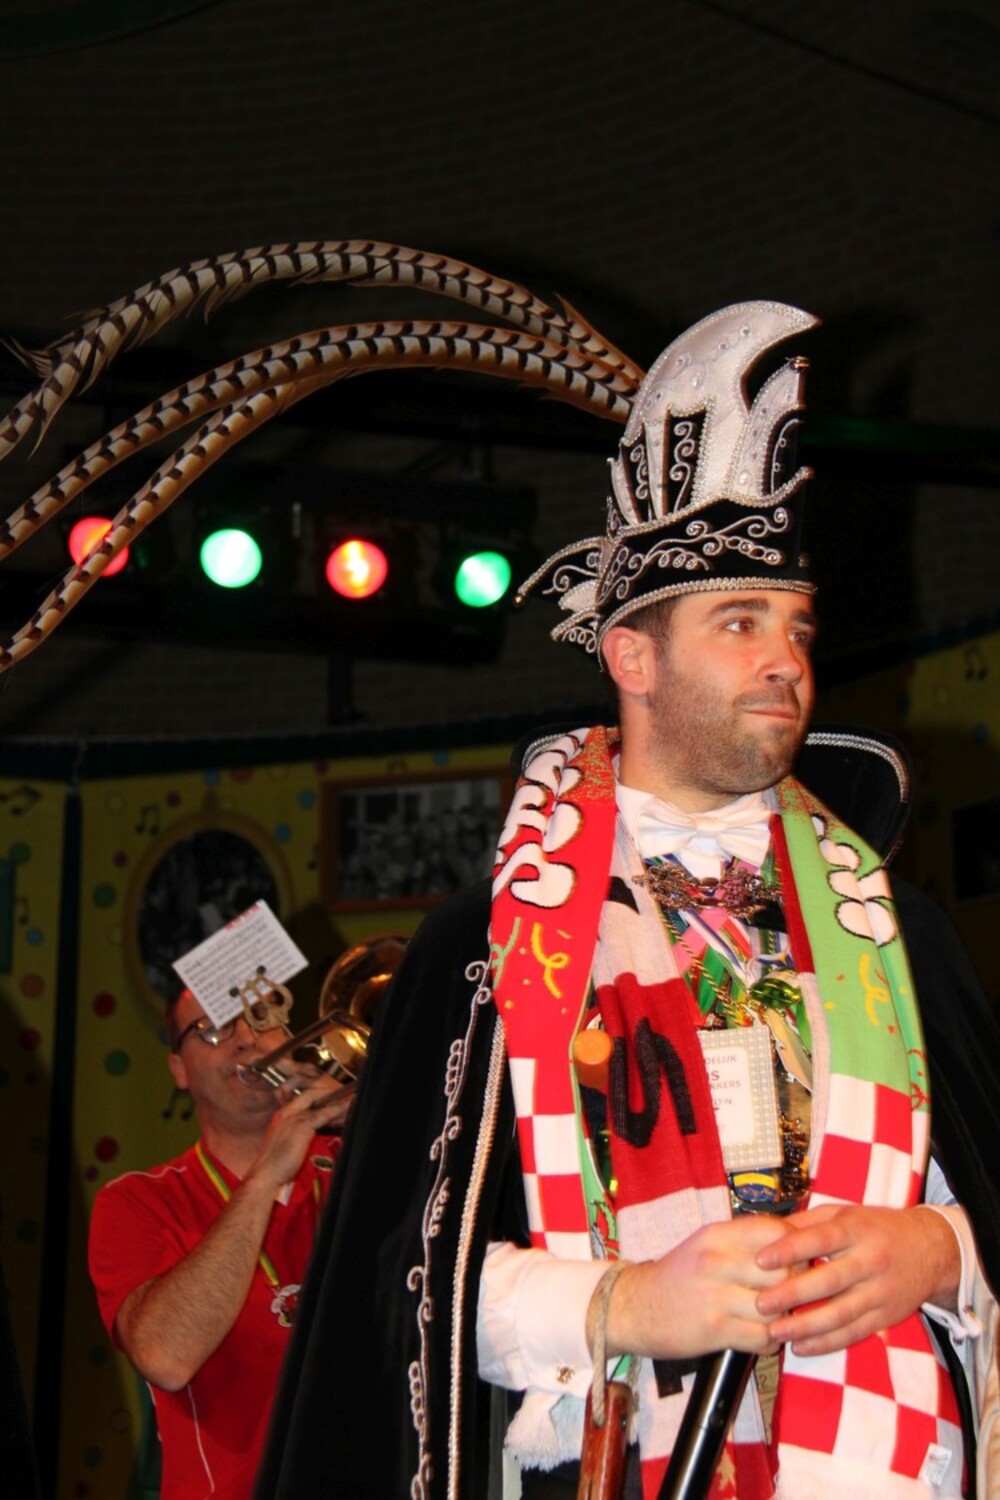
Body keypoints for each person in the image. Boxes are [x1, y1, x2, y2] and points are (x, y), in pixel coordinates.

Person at [254, 300, 999, 1499]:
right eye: (739, 623)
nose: (786, 661)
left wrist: (940, 1249)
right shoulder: (485, 950)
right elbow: (393, 1299)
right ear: (631, 657)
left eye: (797, 627)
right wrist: (625, 1303)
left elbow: (985, 1195)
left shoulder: (897, 932)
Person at [88, 983, 350, 1500]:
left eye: (262, 1015)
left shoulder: (355, 1158)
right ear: (179, 1070)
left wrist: (375, 1120)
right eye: (213, 1029)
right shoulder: (138, 1201)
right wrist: (266, 1176)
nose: (247, 1040)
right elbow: (165, 1357)